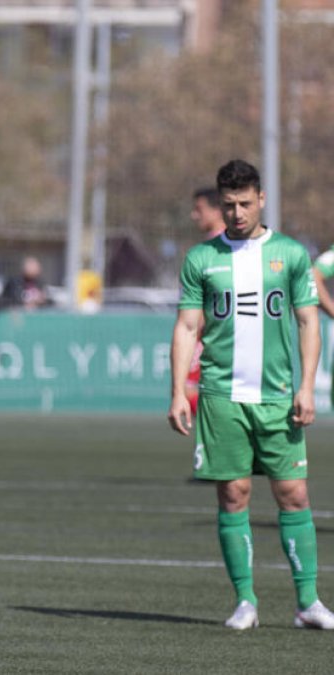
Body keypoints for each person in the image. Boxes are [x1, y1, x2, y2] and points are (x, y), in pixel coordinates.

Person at [168, 159, 333, 631]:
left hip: (278, 396)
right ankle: (245, 601)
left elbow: (308, 322)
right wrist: (178, 392)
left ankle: (308, 603)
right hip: (221, 397)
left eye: (244, 203)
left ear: (261, 199)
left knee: (293, 494)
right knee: (233, 494)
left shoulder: (290, 254)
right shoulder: (201, 258)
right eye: (228, 205)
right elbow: (187, 327)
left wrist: (306, 387)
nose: (237, 213)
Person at [184, 187, 227, 414]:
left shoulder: (224, 248)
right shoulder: (205, 249)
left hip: (213, 336)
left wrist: (193, 334)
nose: (194, 215)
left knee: (189, 392)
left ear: (218, 210)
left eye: (199, 209)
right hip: (205, 334)